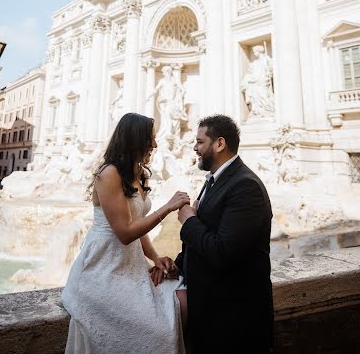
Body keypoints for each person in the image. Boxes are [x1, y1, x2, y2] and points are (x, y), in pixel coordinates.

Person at [61, 112, 190, 354]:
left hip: (130, 266)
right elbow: (124, 233)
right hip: (103, 268)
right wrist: (167, 207)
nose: (155, 144)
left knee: (180, 300)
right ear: (134, 139)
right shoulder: (108, 173)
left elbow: (137, 222)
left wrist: (154, 257)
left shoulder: (137, 172)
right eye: (150, 138)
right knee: (159, 331)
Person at [171, 114, 274, 353]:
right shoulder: (215, 180)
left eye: (199, 142)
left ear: (219, 144)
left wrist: (189, 221)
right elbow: (208, 236)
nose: (195, 148)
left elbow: (222, 251)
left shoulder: (245, 186)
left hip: (235, 325)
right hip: (212, 316)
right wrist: (176, 266)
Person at [241, 44, 275, 119]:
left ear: (259, 51)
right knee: (251, 88)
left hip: (263, 82)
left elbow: (271, 70)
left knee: (263, 95)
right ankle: (256, 111)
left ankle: (268, 110)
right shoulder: (254, 63)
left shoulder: (266, 59)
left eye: (254, 51)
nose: (254, 53)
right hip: (256, 81)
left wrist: (269, 67)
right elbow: (250, 73)